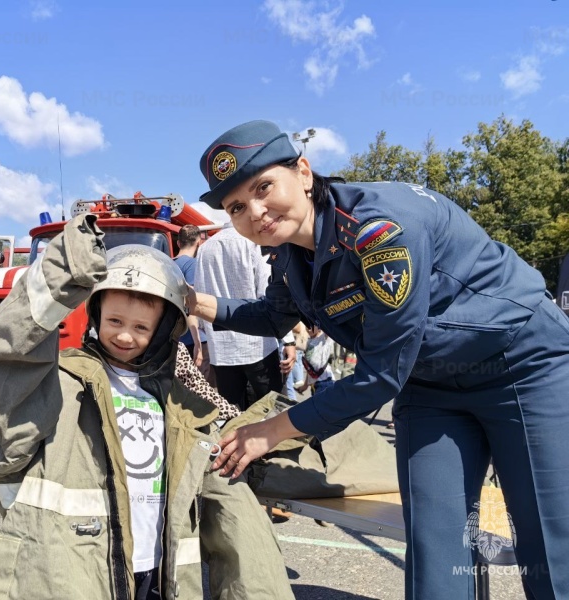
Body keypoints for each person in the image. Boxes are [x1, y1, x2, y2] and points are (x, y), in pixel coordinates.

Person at [187, 120, 569, 598]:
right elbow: (270, 317)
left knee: (548, 548)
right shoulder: (287, 254)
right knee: (436, 551)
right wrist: (190, 301)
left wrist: (274, 428)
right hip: (429, 384)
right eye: (237, 207)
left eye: (264, 187)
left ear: (303, 172)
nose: (256, 212)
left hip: (520, 364)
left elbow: (381, 374)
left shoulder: (380, 229)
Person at [0, 215, 293, 600]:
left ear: (163, 330)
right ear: (95, 315)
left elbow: (220, 446)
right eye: (114, 320)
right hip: (76, 573)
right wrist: (58, 275)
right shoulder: (61, 382)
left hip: (157, 569)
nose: (126, 335)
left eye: (142, 327)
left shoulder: (181, 398)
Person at [195, 221, 284, 411]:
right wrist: (288, 340)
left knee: (232, 414)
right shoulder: (253, 241)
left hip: (221, 348)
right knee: (271, 410)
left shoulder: (204, 249)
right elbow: (267, 292)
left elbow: (200, 299)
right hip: (258, 344)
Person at [173, 224, 215, 386]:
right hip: (195, 337)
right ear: (198, 243)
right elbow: (193, 303)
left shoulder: (169, 264)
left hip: (178, 336)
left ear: (178, 243)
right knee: (201, 385)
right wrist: (198, 341)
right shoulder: (192, 265)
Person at [294, 324, 335, 397]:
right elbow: (310, 369)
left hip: (325, 382)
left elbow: (328, 326)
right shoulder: (309, 341)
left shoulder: (324, 339)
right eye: (307, 324)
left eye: (312, 324)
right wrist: (305, 385)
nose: (309, 327)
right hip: (315, 385)